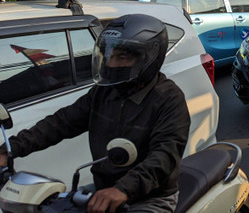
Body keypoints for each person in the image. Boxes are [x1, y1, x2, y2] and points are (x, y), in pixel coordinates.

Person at [0, 14, 190, 213]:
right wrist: (9, 150)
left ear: (149, 57)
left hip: (148, 198)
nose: (111, 64)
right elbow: (61, 122)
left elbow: (164, 156)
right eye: (109, 55)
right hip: (104, 190)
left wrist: (122, 190)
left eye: (122, 57)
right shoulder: (106, 92)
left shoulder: (168, 99)